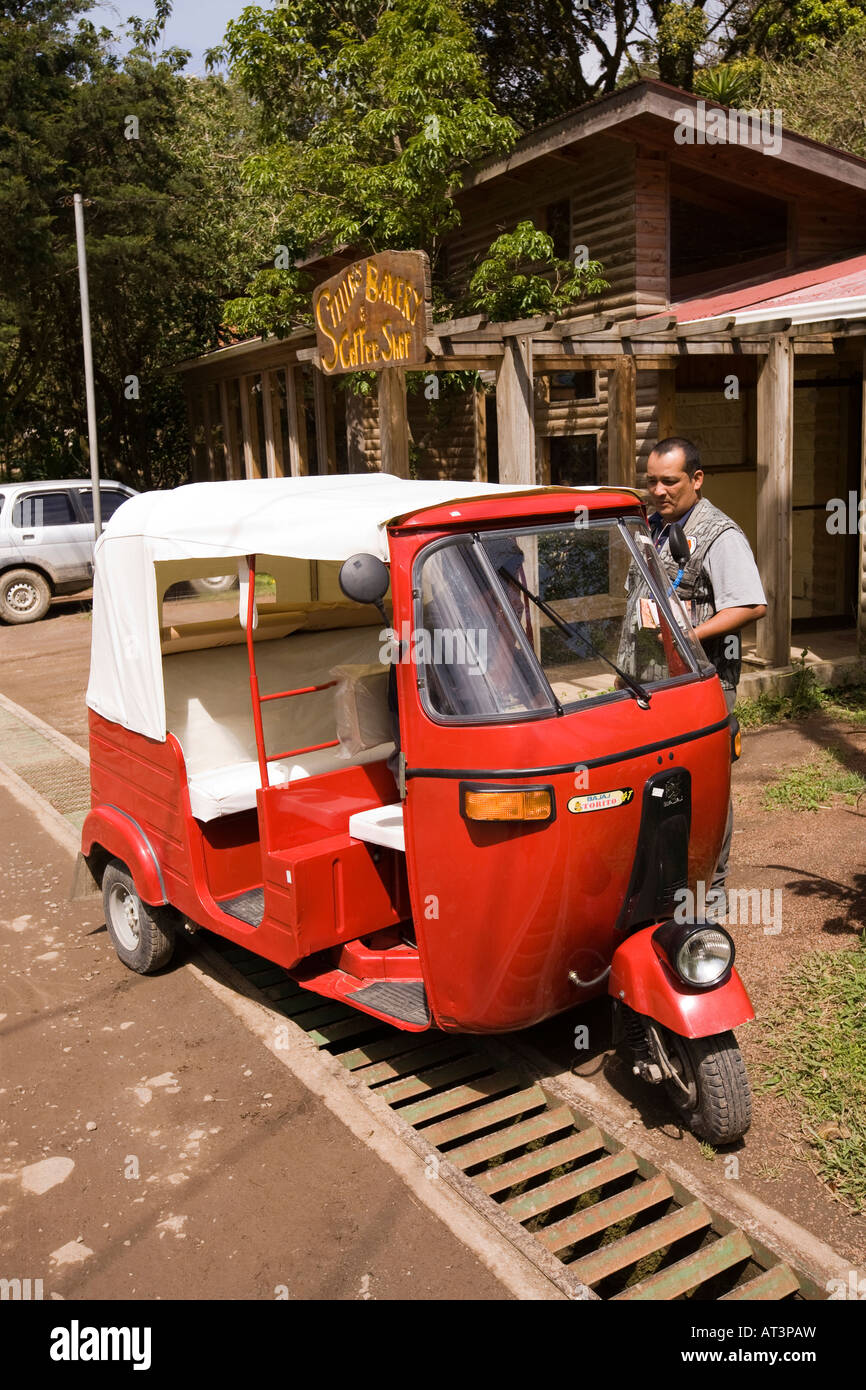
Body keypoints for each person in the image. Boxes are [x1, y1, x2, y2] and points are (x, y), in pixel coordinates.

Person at [646, 437, 767, 919]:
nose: (658, 490)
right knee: (659, 784)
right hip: (654, 685)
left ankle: (708, 903)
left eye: (670, 481)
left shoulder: (720, 535)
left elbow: (750, 603)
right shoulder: (654, 526)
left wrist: (688, 634)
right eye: (652, 480)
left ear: (696, 479)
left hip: (703, 687)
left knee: (705, 788)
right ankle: (663, 891)